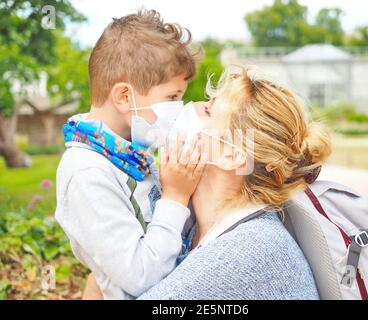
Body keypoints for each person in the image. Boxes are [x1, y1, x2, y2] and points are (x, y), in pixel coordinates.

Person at [84, 66, 332, 299]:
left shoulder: (247, 249)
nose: (188, 108)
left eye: (208, 110)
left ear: (232, 155)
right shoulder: (202, 229)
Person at [55, 9, 206, 300]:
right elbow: (140, 277)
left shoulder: (130, 155)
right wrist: (175, 196)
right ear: (125, 97)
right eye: (172, 97)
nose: (178, 107)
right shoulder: (87, 173)